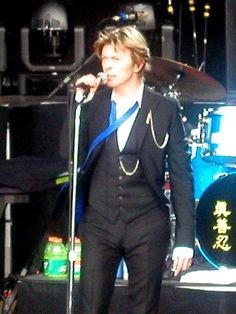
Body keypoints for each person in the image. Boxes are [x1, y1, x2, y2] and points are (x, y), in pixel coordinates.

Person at [75, 25, 195, 314]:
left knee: (143, 309)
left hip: (147, 223)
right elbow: (69, 156)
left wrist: (185, 240)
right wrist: (79, 104)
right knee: (90, 307)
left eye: (116, 58)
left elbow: (181, 175)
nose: (108, 66)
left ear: (138, 62)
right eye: (105, 59)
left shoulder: (164, 108)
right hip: (99, 223)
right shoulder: (93, 104)